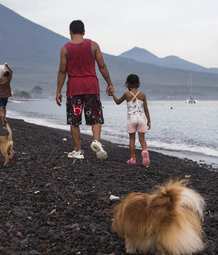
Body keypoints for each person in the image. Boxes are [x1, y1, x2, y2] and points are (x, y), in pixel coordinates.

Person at [56, 20, 115, 159]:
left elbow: (62, 71)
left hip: (74, 88)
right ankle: (96, 141)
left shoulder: (65, 48)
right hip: (91, 86)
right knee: (95, 117)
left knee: (74, 121)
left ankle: (78, 151)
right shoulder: (93, 45)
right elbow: (102, 66)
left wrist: (58, 90)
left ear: (70, 32)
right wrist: (109, 83)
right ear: (84, 31)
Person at [111, 74, 152, 166]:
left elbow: (117, 102)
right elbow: (146, 109)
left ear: (127, 84)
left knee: (132, 140)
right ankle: (145, 151)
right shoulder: (142, 95)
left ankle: (132, 158)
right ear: (139, 84)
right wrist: (149, 121)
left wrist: (112, 94)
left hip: (131, 120)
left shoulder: (127, 95)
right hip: (141, 120)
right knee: (142, 140)